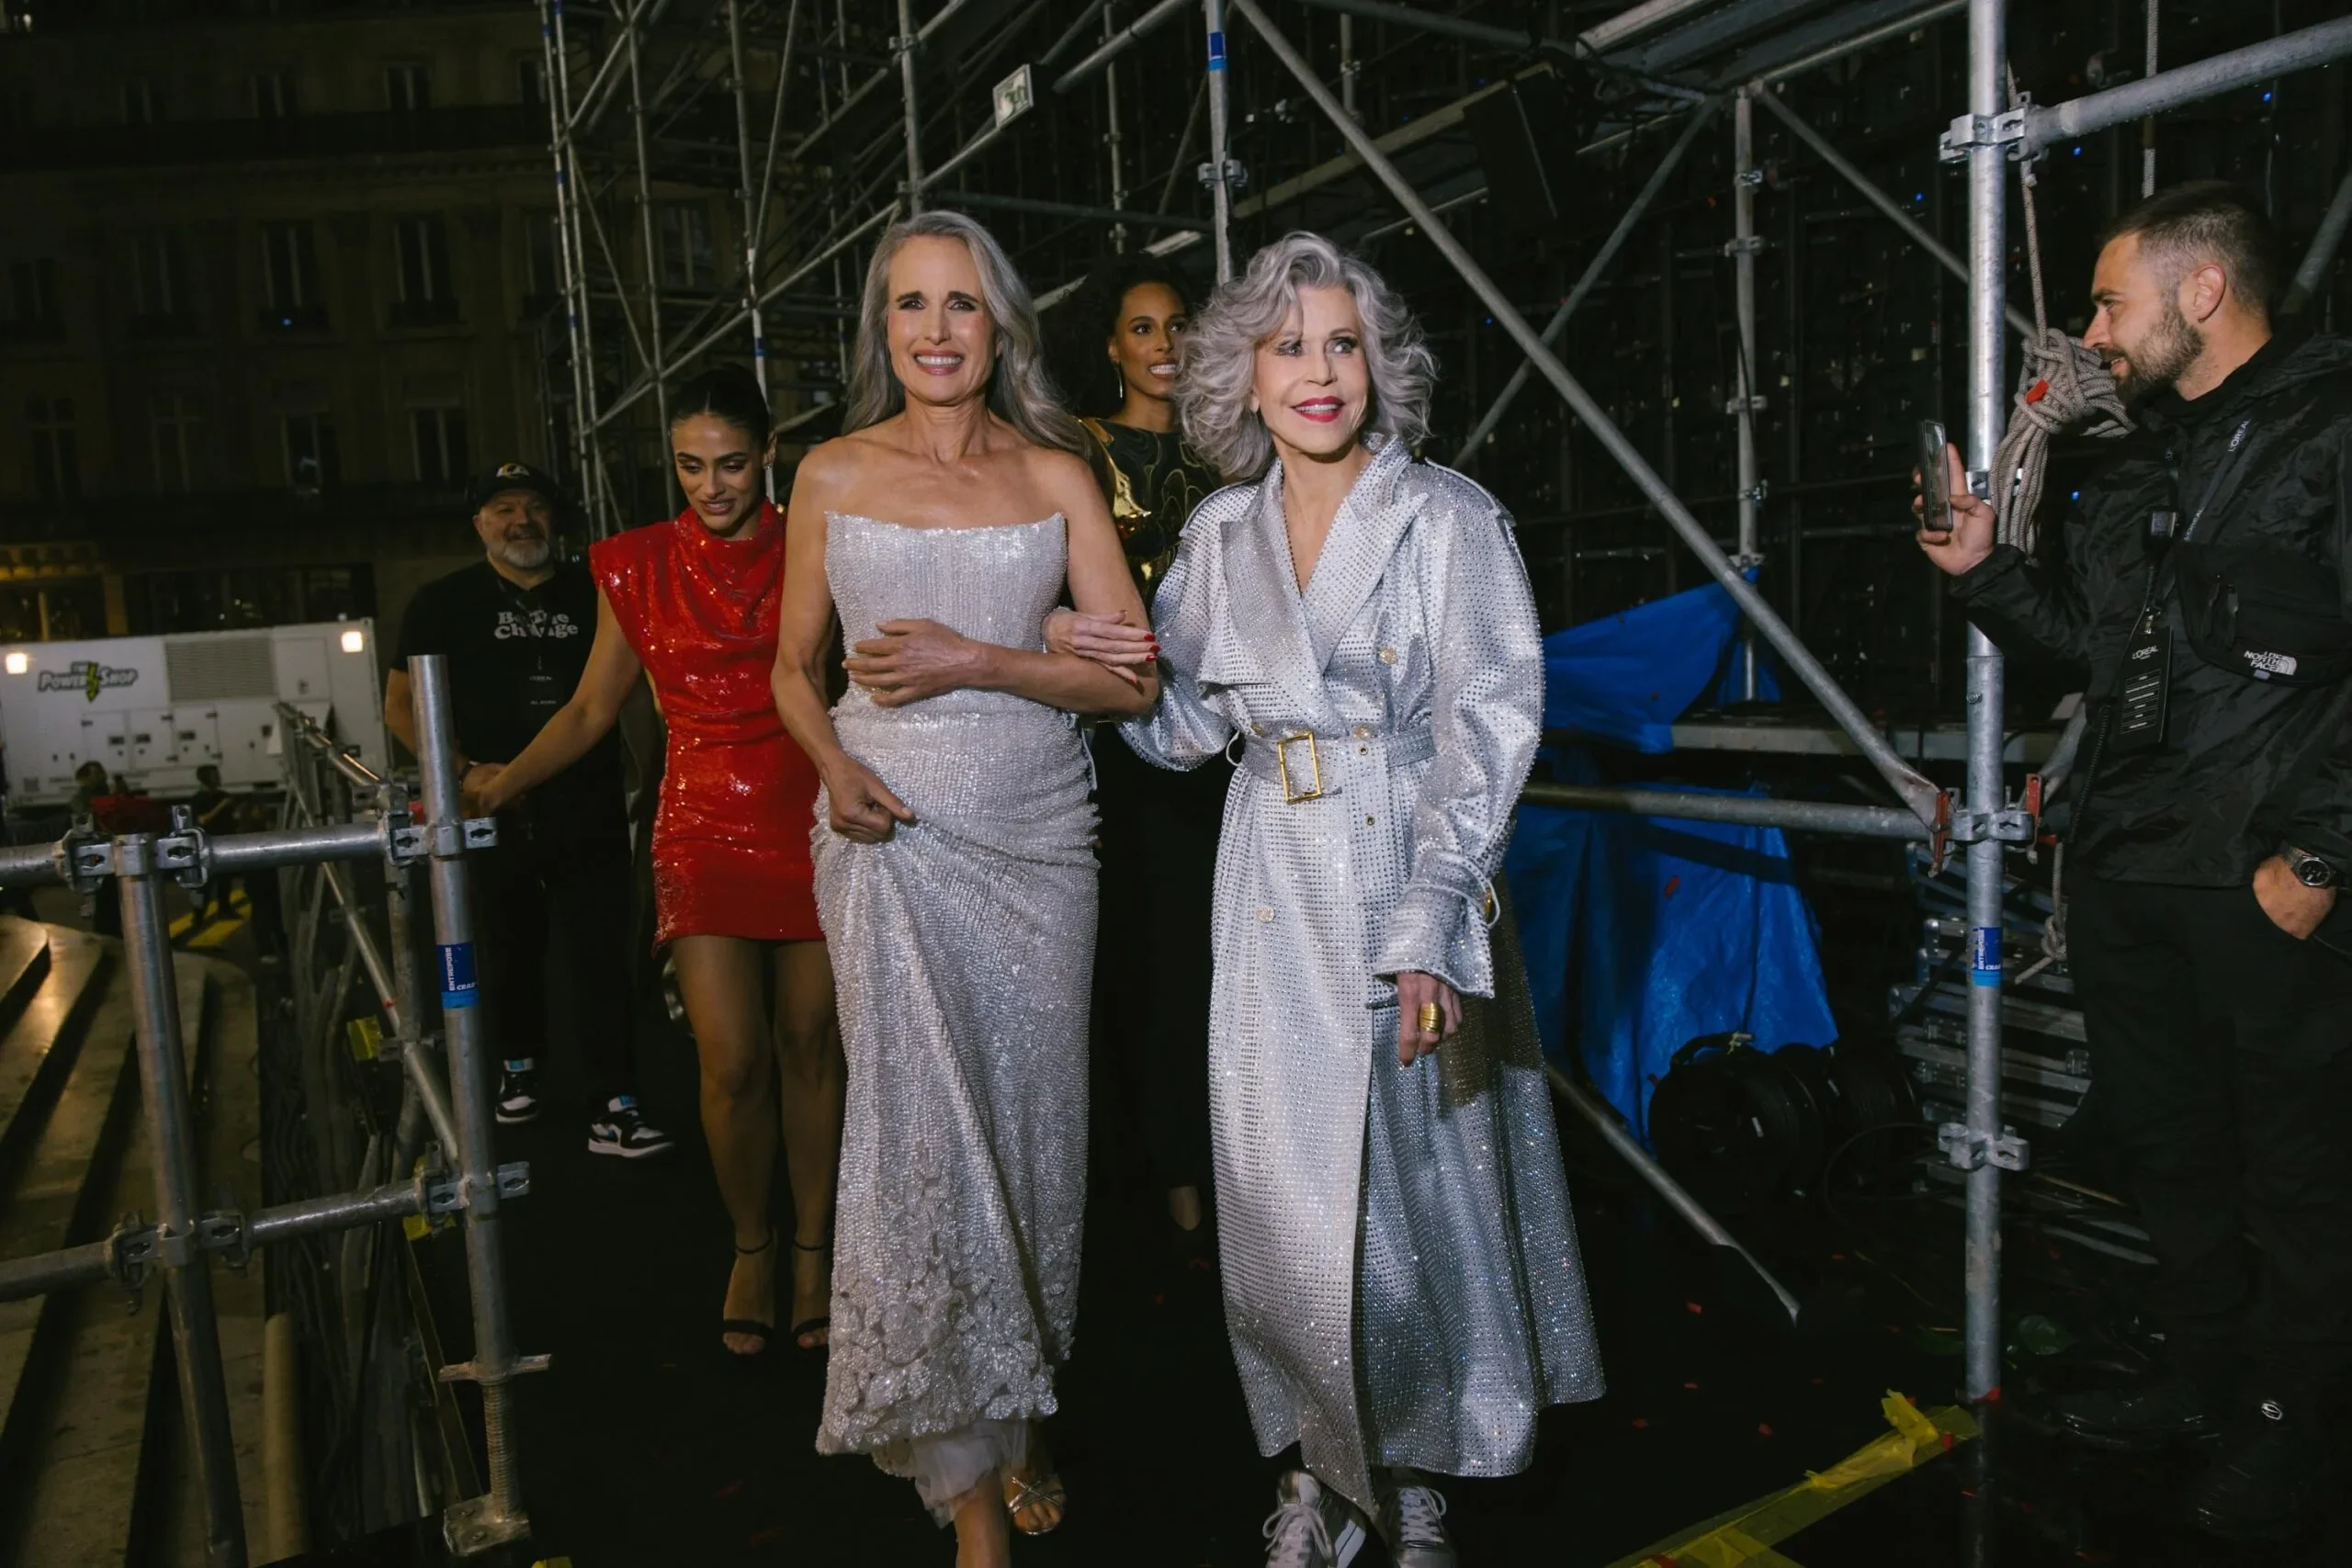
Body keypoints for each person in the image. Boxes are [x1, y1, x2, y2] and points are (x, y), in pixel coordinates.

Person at [1055, 231, 1602, 1567]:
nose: (1318, 370)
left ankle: (1410, 1471)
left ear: (1381, 365)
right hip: (1267, 891)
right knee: (1281, 1198)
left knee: (1409, 1193)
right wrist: (1095, 652)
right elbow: (1179, 731)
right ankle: (1320, 1463)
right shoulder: (1217, 532)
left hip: (1404, 870)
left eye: (1343, 342)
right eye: (1290, 344)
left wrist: (1431, 929)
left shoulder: (1448, 518)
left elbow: (1489, 734)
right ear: (1243, 370)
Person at [1918, 181, 2352, 1541]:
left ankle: (2290, 1428)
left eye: (2112, 302)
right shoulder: (2144, 455)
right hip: (2130, 862)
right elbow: (2097, 655)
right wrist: (1987, 566)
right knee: (2174, 1151)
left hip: (2261, 875)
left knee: (2300, 1170)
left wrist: (2323, 855)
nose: (2094, 332)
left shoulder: (2331, 424)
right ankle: (2202, 1380)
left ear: (2203, 292)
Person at [768, 210, 1156, 1567]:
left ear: (1003, 326)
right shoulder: (826, 470)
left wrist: (978, 658)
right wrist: (833, 766)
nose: (936, 332)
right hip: (889, 834)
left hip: (1040, 834)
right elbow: (790, 669)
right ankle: (969, 1487)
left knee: (1037, 1129)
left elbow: (1130, 678)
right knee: (917, 1141)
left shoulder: (1060, 475)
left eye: (963, 306)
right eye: (910, 307)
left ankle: (1019, 1386)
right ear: (882, 329)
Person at [467, 378, 842, 1358]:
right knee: (730, 1058)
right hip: (700, 824)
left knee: (809, 1045)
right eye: (688, 464)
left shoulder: (820, 540)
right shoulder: (632, 565)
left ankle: (814, 1246)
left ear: (767, 453)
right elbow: (593, 711)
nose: (710, 486)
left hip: (812, 814)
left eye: (729, 462)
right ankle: (751, 1245)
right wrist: (504, 784)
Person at [390, 464, 672, 1161]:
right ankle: (518, 1066)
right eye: (504, 508)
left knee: (602, 954)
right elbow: (401, 704)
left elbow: (630, 696)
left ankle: (615, 1102)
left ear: (558, 518)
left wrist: (655, 779)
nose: (522, 521)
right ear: (479, 523)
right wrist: (462, 772)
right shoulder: (440, 602)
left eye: (536, 507)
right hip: (492, 806)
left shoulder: (598, 590)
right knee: (507, 945)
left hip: (588, 799)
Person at [1057, 257, 1227, 1258]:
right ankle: (1160, 1167)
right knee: (1141, 951)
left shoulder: (1232, 454)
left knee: (1215, 955)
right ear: (1110, 346)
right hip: (1115, 737)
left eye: (1176, 327)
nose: (1163, 347)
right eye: (1142, 329)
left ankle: (1212, 1159)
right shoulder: (1078, 452)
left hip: (1223, 740)